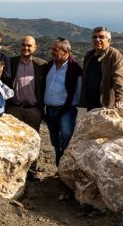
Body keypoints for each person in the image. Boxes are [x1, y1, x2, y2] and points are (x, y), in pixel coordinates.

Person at [44, 38, 82, 166]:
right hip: (50, 109)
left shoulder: (74, 68)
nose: (52, 52)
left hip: (67, 110)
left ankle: (67, 165)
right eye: (52, 49)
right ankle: (60, 165)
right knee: (55, 139)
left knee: (67, 136)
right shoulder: (50, 65)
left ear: (66, 52)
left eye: (55, 50)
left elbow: (78, 90)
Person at [6, 36, 46, 132]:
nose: (26, 48)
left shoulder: (42, 65)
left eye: (29, 45)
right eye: (23, 45)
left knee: (32, 140)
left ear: (35, 47)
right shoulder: (11, 62)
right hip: (13, 109)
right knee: (12, 137)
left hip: (34, 111)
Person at [82, 26, 123, 110]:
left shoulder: (114, 55)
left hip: (105, 105)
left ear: (109, 41)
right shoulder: (88, 56)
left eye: (101, 37)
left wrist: (121, 99)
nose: (97, 39)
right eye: (94, 37)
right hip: (90, 104)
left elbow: (118, 77)